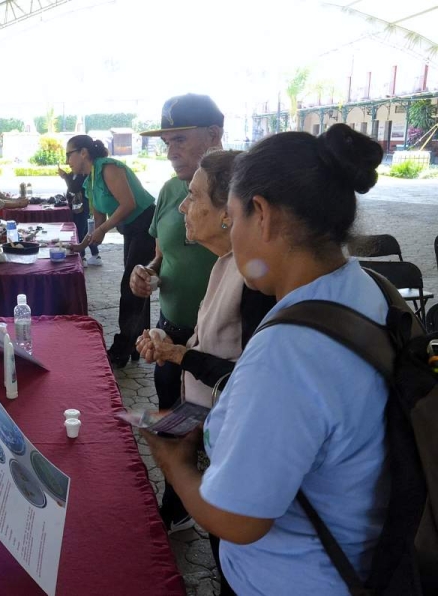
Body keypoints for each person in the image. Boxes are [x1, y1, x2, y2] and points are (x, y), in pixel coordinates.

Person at [141, 124, 389, 595]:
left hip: (292, 580)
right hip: (356, 557)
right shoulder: (363, 286)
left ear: (261, 214)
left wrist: (174, 462)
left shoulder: (287, 351)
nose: (232, 238)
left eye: (232, 218)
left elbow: (239, 520)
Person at [136, 149, 275, 596]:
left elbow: (247, 375)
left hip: (237, 435)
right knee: (222, 550)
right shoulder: (223, 265)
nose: (182, 206)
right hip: (213, 424)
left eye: (194, 196)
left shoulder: (256, 281)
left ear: (227, 214)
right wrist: (174, 347)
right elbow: (208, 341)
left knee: (230, 544)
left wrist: (181, 355)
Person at [130, 93, 224, 532]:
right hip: (169, 331)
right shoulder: (171, 190)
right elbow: (161, 253)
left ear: (214, 136)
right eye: (166, 141)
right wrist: (147, 273)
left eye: (180, 139)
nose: (171, 150)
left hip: (216, 341)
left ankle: (218, 510)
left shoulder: (239, 194)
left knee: (215, 431)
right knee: (171, 417)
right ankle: (178, 505)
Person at [65, 135, 156, 368]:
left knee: (131, 286)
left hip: (146, 226)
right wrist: (81, 246)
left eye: (69, 154)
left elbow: (129, 204)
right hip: (130, 230)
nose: (67, 161)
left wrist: (104, 228)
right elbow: (97, 223)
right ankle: (137, 344)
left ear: (83, 152)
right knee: (137, 287)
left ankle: (121, 349)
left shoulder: (108, 168)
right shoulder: (89, 181)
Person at [57, 166, 101, 265]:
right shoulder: (74, 173)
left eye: (70, 158)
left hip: (83, 205)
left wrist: (64, 176)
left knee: (80, 230)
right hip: (77, 205)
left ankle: (82, 257)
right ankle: (95, 255)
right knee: (85, 231)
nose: (69, 162)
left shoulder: (83, 173)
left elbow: (74, 187)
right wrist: (66, 175)